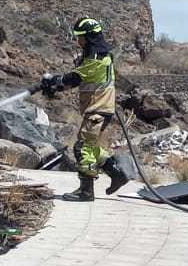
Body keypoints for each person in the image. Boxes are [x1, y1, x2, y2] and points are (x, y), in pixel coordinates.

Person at [36, 16, 132, 202]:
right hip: (98, 108)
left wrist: (55, 80)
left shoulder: (97, 59)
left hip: (98, 109)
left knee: (82, 148)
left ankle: (86, 191)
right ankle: (117, 174)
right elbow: (79, 79)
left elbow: (75, 77)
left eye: (80, 36)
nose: (78, 40)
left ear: (89, 37)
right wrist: (55, 87)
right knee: (91, 146)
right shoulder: (95, 55)